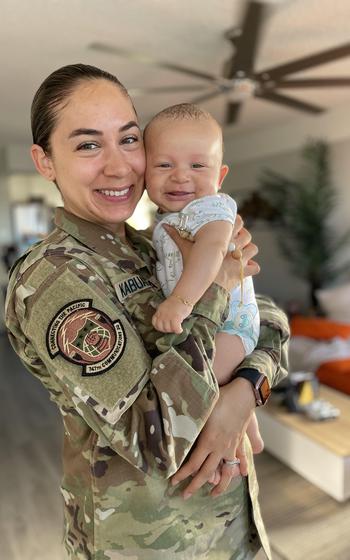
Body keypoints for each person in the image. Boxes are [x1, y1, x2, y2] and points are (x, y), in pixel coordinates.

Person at [5, 63, 290, 560]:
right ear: (45, 161)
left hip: (227, 525)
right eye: (88, 144)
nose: (118, 167)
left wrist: (247, 389)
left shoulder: (152, 243)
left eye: (129, 139)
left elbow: (268, 317)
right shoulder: (54, 279)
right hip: (152, 541)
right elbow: (155, 437)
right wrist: (214, 289)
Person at [144, 103, 263, 461]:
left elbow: (212, 251)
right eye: (164, 165)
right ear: (144, 171)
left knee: (203, 390)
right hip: (208, 324)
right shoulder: (167, 220)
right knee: (219, 387)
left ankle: (226, 459)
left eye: (198, 166)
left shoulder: (212, 207)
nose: (181, 177)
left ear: (220, 175)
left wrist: (180, 301)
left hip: (228, 325)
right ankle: (250, 437)